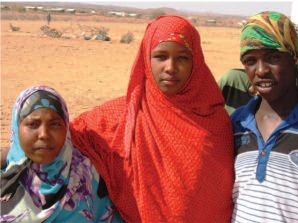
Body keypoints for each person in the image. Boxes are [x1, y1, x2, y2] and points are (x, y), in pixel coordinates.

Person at [70, 15, 234, 222]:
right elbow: (64, 138)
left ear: (197, 61)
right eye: (160, 56)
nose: (170, 67)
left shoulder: (215, 121)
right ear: (146, 60)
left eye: (182, 57)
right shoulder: (121, 115)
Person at [0, 86, 123, 223]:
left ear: (66, 129)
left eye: (55, 124)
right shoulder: (5, 183)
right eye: (33, 124)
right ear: (17, 128)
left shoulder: (88, 179)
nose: (44, 135)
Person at [231, 11, 298, 222]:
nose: (261, 71)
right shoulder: (236, 124)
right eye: (250, 61)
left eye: (273, 57)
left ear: (294, 58)